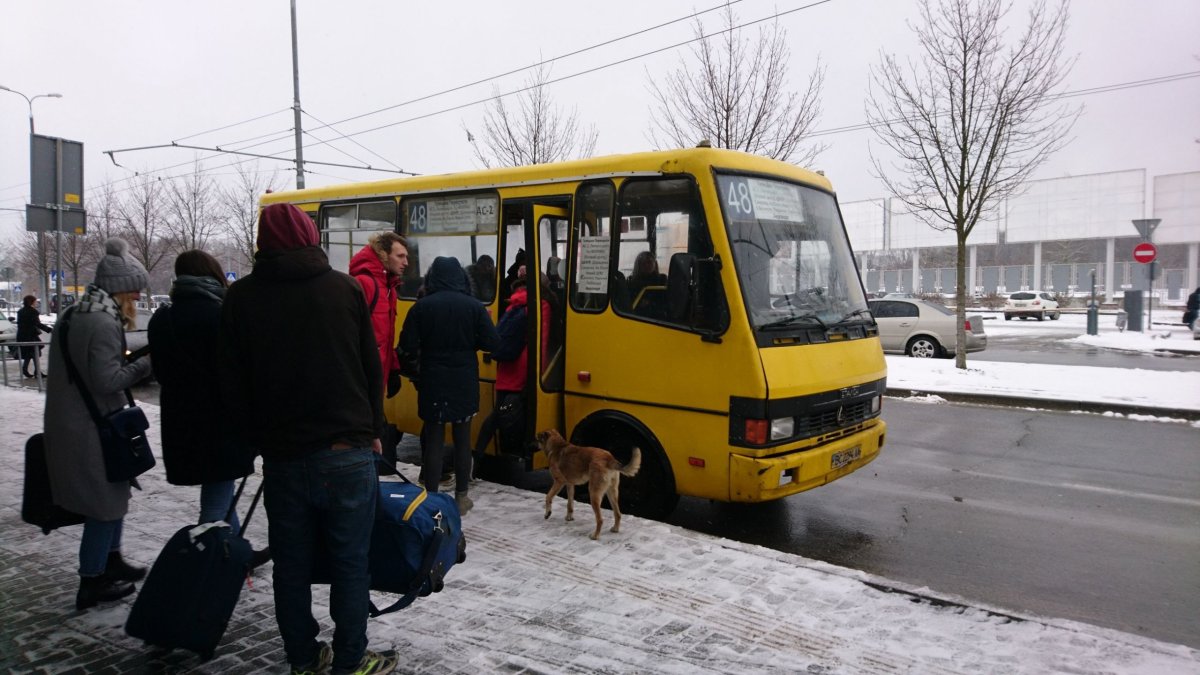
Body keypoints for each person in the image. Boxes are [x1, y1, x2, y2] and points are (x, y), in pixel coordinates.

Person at [219, 204, 396, 675]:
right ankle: (351, 660)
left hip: (284, 458)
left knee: (291, 567)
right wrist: (373, 430)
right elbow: (369, 366)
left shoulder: (241, 298)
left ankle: (303, 657)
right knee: (350, 564)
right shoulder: (343, 289)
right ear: (308, 235)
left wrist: (256, 439)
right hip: (347, 452)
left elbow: (233, 384)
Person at [43, 238, 153, 610]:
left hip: (74, 424)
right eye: (135, 289)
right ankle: (92, 579)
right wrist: (146, 363)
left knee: (113, 499)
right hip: (92, 429)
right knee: (104, 506)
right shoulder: (102, 323)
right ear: (120, 290)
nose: (137, 297)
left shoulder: (76, 313)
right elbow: (107, 381)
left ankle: (112, 560)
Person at [148, 250, 268, 567]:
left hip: (180, 424)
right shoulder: (220, 315)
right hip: (219, 423)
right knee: (216, 500)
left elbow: (159, 373)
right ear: (213, 274)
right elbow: (237, 373)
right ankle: (211, 567)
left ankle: (237, 550)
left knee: (221, 488)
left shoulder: (163, 318)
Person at [398, 256, 498, 514]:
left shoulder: (421, 307)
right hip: (464, 381)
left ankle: (431, 496)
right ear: (463, 279)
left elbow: (406, 348)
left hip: (432, 380)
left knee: (434, 439)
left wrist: (417, 372)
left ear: (431, 278)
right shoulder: (474, 307)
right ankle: (461, 497)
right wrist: (468, 344)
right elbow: (492, 343)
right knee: (462, 439)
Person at [474, 270, 551, 460]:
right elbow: (541, 341)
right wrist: (540, 373)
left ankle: (476, 456)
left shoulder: (514, 303)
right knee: (515, 414)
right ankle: (519, 451)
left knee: (498, 414)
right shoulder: (541, 305)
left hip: (506, 366)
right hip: (524, 367)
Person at [349, 232, 409, 472]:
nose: (406, 262)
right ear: (384, 255)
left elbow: (385, 337)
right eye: (400, 256)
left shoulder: (389, 287)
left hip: (376, 379)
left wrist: (393, 368)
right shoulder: (365, 283)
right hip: (361, 382)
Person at [16, 294, 52, 377]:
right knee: (35, 351)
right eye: (35, 301)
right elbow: (37, 324)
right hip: (31, 335)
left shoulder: (20, 311)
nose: (36, 303)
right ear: (31, 302)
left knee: (31, 352)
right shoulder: (33, 312)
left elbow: (20, 324)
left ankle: (28, 370)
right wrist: (49, 330)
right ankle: (36, 372)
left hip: (22, 335)